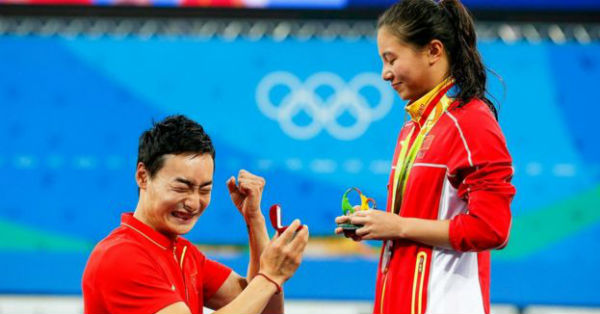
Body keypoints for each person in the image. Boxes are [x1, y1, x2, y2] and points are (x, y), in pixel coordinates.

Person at [335, 1, 516, 313]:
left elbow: (491, 229)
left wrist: (398, 226)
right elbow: (417, 220)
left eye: (391, 59)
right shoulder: (412, 127)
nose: (384, 74)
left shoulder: (470, 122)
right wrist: (374, 225)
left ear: (434, 51)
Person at [82, 115, 309, 314]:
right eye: (181, 187)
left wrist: (254, 220)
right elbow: (262, 287)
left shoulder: (184, 254)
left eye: (204, 190)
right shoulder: (120, 257)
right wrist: (269, 276)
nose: (193, 202)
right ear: (143, 176)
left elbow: (262, 308)